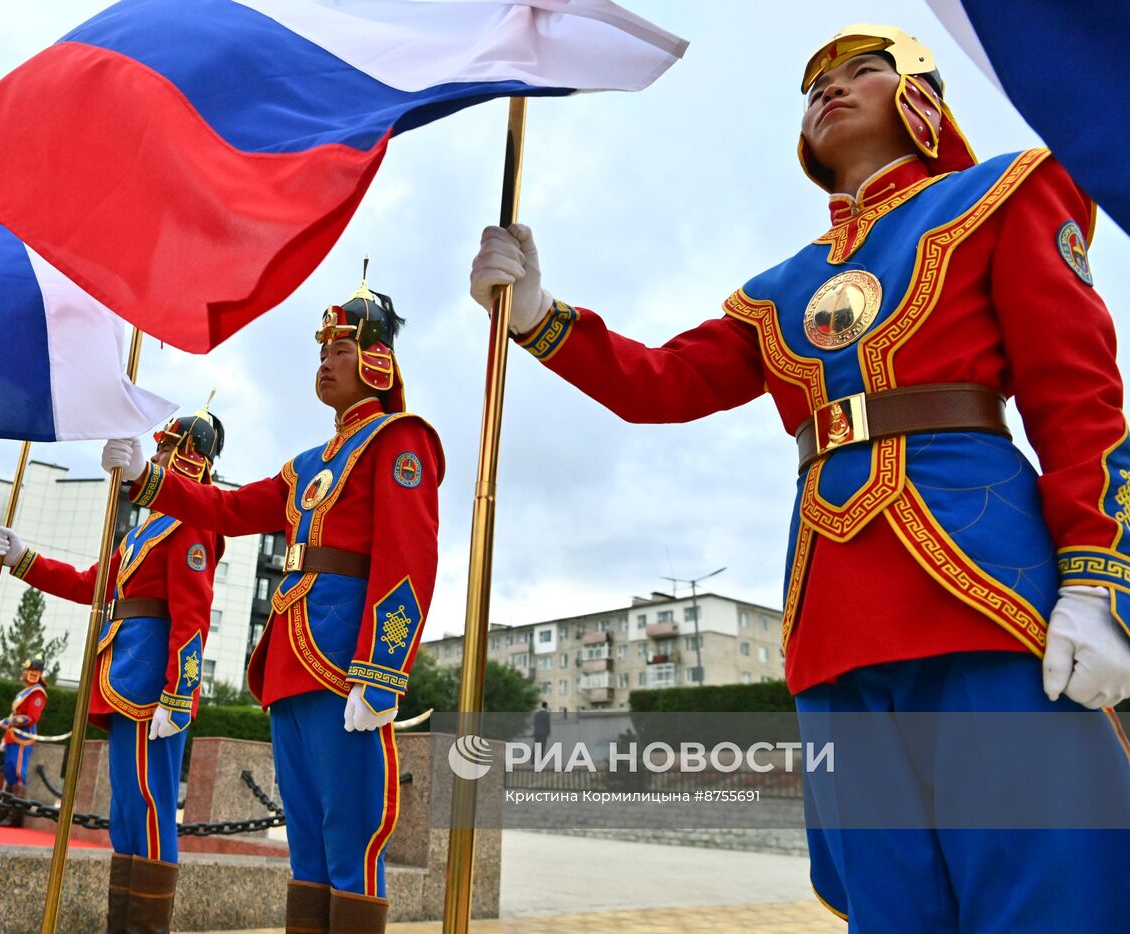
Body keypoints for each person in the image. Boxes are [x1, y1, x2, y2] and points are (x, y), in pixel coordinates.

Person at [469, 24, 1130, 931]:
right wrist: (541, 315)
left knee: (1040, 883)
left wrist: (1098, 581)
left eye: (863, 70)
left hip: (984, 586)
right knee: (889, 902)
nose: (830, 88)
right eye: (815, 83)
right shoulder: (780, 286)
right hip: (833, 612)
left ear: (921, 100)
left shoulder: (1004, 194)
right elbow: (662, 385)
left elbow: (1078, 398)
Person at [101, 270, 442, 934]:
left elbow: (409, 559)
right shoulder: (307, 462)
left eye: (339, 349)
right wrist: (148, 478)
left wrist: (382, 669)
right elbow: (227, 508)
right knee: (307, 843)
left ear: (377, 358)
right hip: (290, 656)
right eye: (320, 352)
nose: (325, 363)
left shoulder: (401, 440)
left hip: (345, 657)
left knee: (352, 835)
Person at [0, 409, 225, 934]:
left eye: (168, 448)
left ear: (194, 457)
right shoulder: (145, 531)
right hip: (121, 674)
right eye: (159, 447)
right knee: (125, 814)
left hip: (151, 687)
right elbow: (92, 584)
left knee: (149, 806)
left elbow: (192, 616)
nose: (158, 457)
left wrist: (179, 692)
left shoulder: (193, 522)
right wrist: (25, 560)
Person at [0, 656, 48, 828]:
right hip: (14, 736)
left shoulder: (37, 693)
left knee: (19, 774)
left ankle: (13, 816)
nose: (24, 673)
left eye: (27, 670)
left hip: (23, 737)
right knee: (10, 773)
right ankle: (3, 813)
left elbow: (32, 717)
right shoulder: (25, 691)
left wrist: (9, 721)